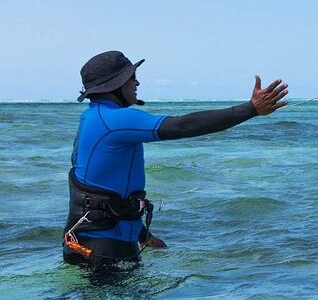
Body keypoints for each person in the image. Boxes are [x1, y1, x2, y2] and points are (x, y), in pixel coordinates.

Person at [63, 50, 288, 267]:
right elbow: (182, 126)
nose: (137, 83)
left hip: (97, 242)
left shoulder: (92, 118)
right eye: (132, 78)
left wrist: (142, 234)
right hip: (100, 248)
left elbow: (98, 185)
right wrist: (251, 109)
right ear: (116, 84)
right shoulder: (113, 120)